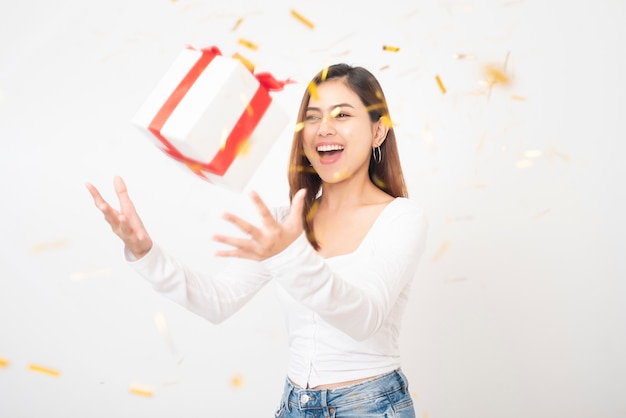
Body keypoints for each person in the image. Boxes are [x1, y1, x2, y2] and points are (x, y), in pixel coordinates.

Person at [87, 63, 427, 418]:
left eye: (342, 114)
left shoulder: (401, 218)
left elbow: (363, 318)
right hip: (294, 405)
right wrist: (145, 252)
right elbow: (218, 301)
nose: (323, 128)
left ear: (378, 131)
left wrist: (291, 255)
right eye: (312, 117)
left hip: (369, 407)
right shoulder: (285, 223)